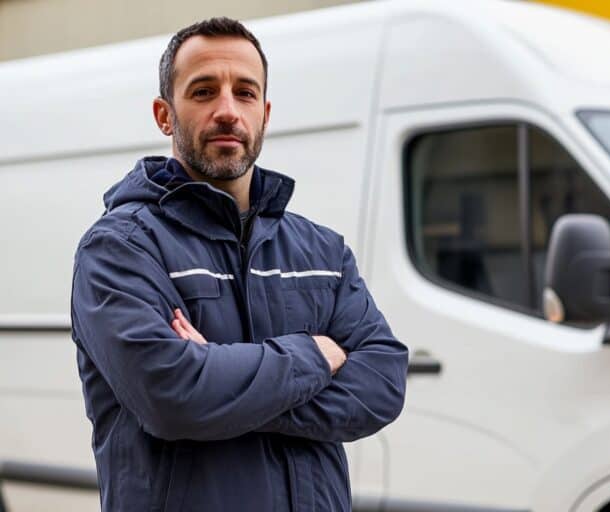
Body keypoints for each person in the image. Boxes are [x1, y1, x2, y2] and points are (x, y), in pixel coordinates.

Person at [70, 17, 408, 512]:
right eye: (204, 91)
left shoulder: (321, 251)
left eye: (245, 93)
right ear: (165, 115)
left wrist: (225, 383)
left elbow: (382, 384)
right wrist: (313, 357)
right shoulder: (119, 248)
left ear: (265, 113)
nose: (227, 111)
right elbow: (173, 396)